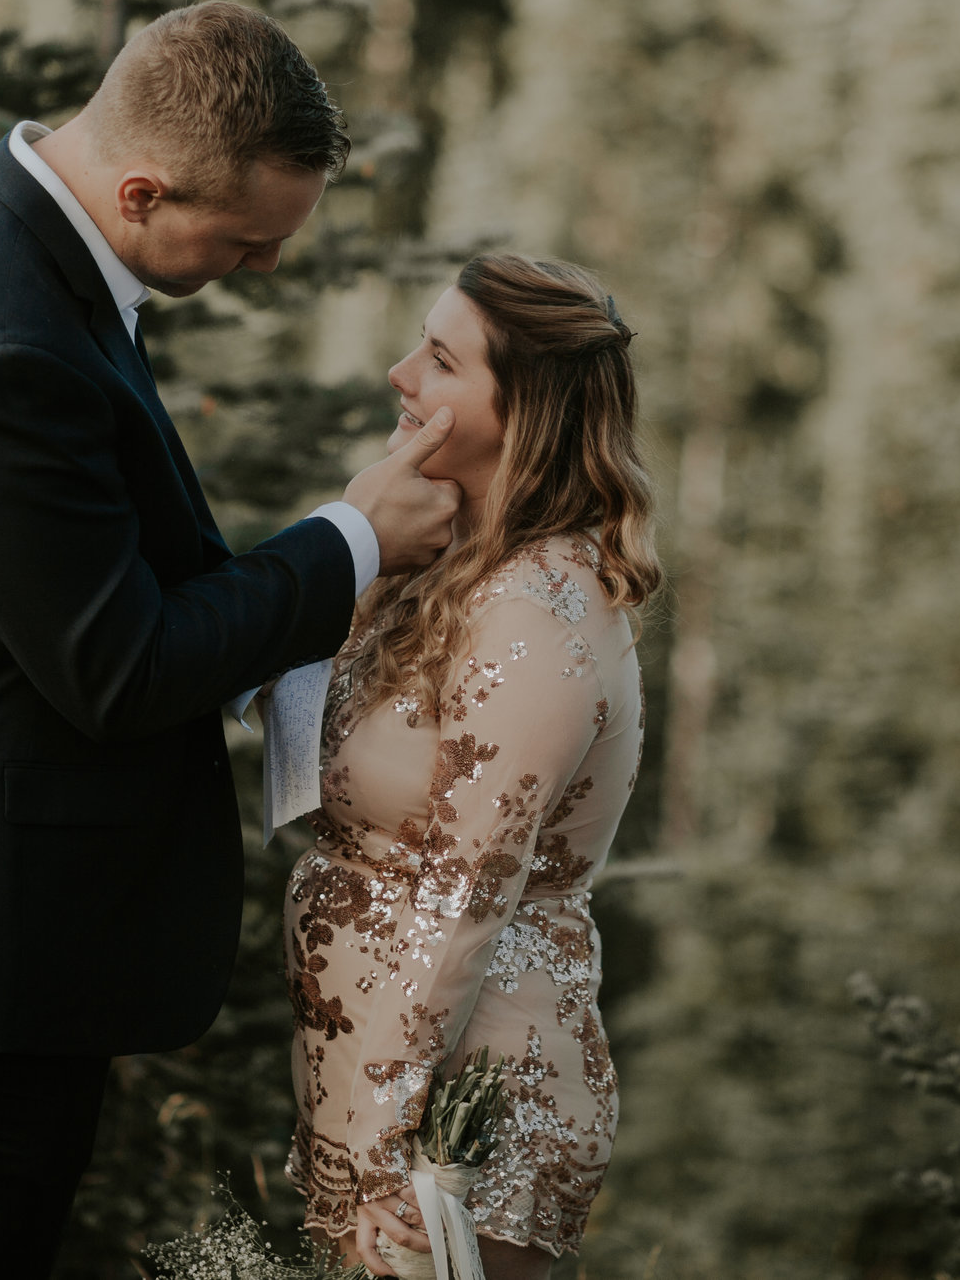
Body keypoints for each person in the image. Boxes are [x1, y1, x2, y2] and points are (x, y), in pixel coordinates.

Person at [0, 2, 462, 1279]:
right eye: (243, 240)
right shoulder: (0, 346)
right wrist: (349, 539)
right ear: (141, 188)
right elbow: (119, 665)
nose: (261, 269)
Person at [282, 254, 662, 1280]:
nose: (402, 373)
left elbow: (460, 892)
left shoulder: (536, 612)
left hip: (466, 1112)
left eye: (441, 359)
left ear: (525, 410)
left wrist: (380, 1153)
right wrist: (354, 538)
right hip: (378, 1080)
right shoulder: (450, 562)